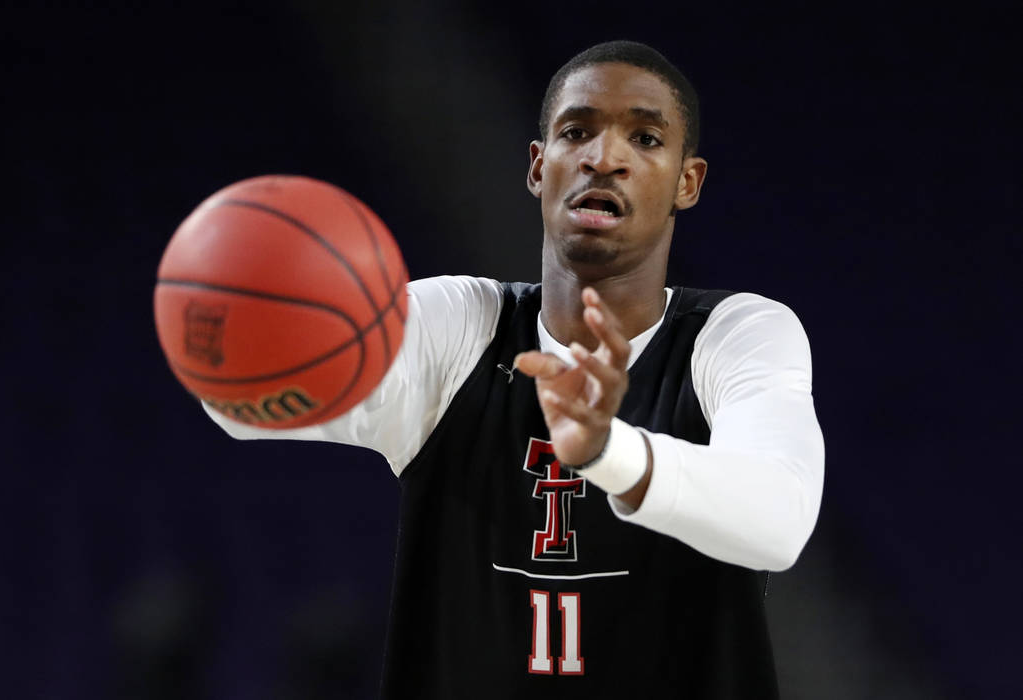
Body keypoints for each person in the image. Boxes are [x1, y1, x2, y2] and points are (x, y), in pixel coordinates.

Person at [205, 40, 824, 698]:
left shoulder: (737, 335)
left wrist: (610, 451)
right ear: (538, 167)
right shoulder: (457, 326)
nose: (604, 157)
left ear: (686, 182)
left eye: (644, 138)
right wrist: (240, 336)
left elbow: (778, 524)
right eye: (576, 131)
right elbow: (246, 406)